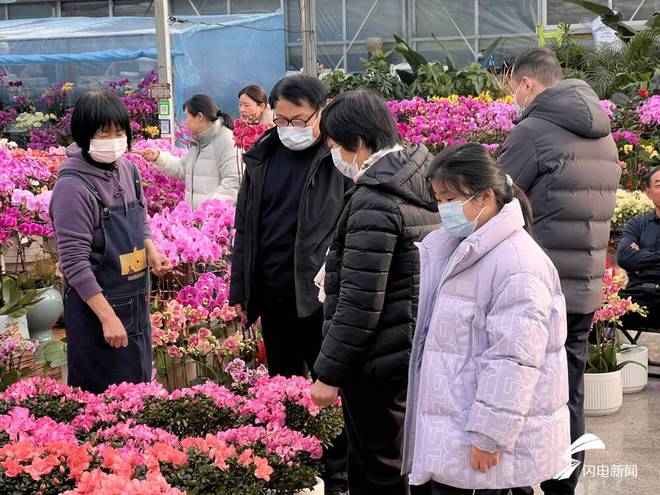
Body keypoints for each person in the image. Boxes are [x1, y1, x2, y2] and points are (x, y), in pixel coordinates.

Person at [403, 143, 570, 495]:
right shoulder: (459, 248)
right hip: (457, 426)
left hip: (484, 441)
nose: (444, 208)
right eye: (438, 198)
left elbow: (513, 361)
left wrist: (489, 435)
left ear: (486, 196)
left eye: (450, 198)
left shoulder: (517, 264)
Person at [498, 47, 621, 494]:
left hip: (535, 292)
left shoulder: (531, 132)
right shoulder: (602, 134)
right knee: (568, 397)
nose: (513, 96)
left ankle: (521, 482)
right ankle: (563, 487)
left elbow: (495, 203)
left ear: (527, 83)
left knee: (519, 395)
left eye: (513, 87)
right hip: (583, 290)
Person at [311, 90, 439, 495]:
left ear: (359, 143)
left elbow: (360, 302)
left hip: (376, 365)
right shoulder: (422, 178)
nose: (334, 157)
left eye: (334, 147)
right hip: (409, 351)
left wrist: (328, 373)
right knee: (402, 462)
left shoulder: (374, 199)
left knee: (377, 469)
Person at [229, 74, 350, 494]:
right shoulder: (263, 155)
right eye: (281, 120)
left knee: (329, 388)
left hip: (321, 298)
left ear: (321, 111)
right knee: (283, 386)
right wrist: (241, 290)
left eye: (298, 120)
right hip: (275, 292)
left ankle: (338, 472)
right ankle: (293, 466)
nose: (289, 130)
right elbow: (245, 226)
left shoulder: (339, 158)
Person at [50, 90, 172, 394]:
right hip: (98, 318)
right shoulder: (73, 187)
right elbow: (74, 264)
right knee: (103, 410)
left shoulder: (128, 171)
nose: (115, 139)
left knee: (139, 398)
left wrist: (151, 250)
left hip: (135, 310)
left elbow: (139, 219)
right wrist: (108, 318)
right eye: (105, 133)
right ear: (84, 134)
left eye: (120, 132)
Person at [141, 94, 239, 207]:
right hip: (198, 220)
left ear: (200, 116)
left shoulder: (227, 141)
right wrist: (158, 157)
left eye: (186, 117)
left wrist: (208, 210)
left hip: (213, 220)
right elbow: (181, 168)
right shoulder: (199, 142)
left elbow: (233, 184)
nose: (185, 122)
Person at [617, 166, 660, 327]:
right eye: (659, 185)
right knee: (597, 316)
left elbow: (632, 259)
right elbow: (623, 256)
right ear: (648, 193)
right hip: (636, 295)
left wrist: (641, 257)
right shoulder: (637, 223)